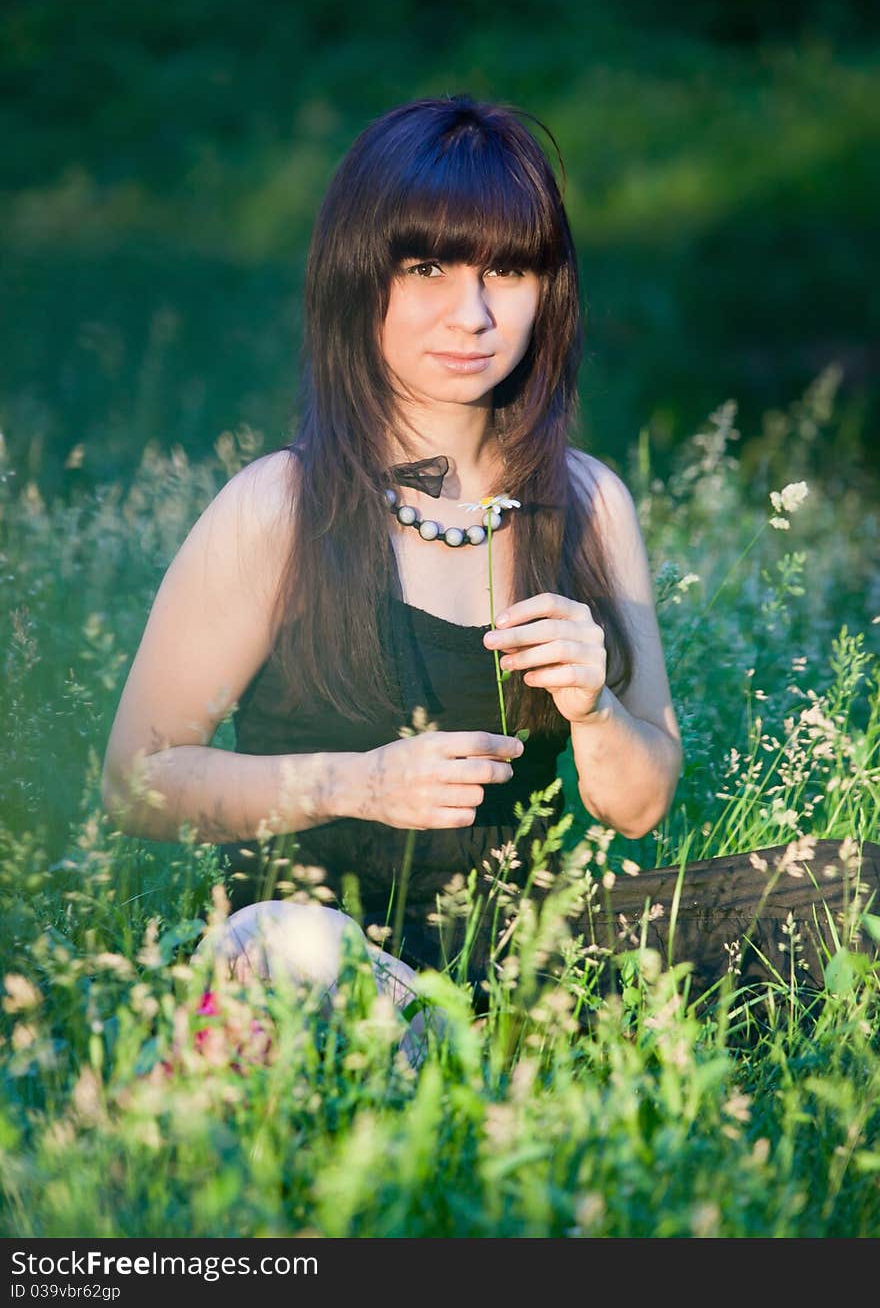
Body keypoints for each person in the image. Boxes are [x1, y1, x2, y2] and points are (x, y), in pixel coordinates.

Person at [102, 94, 878, 1044]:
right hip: (322, 941)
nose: (470, 314)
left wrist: (595, 709)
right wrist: (358, 783)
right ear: (360, 280)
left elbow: (639, 804)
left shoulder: (589, 503)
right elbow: (135, 782)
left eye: (507, 270)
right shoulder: (278, 506)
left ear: (546, 290)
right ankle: (434, 1058)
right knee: (287, 944)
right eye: (427, 267)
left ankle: (489, 1050)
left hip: (529, 955)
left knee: (856, 887)